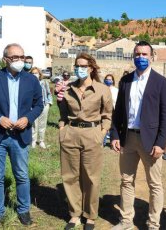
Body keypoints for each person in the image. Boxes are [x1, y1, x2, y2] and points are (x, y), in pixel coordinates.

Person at [0, 43, 43, 229]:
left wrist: (28, 119)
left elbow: (39, 105)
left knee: (21, 175)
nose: (20, 61)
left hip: (20, 136)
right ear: (5, 59)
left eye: (22, 57)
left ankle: (23, 210)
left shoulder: (31, 80)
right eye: (15, 57)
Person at [110, 41, 166, 230]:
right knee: (126, 181)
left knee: (154, 184)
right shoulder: (126, 81)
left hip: (151, 141)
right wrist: (115, 135)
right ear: (133, 56)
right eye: (137, 54)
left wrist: (161, 143)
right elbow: (118, 111)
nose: (141, 58)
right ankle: (126, 220)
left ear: (152, 57)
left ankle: (153, 223)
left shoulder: (161, 82)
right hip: (128, 138)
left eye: (145, 54)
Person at [58, 53, 113, 230]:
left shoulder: (102, 89)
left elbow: (107, 114)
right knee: (70, 176)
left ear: (91, 68)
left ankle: (90, 215)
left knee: (91, 177)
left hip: (92, 134)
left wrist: (102, 132)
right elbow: (62, 114)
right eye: (76, 66)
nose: (78, 69)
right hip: (71, 133)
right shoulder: (68, 89)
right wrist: (62, 130)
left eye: (82, 66)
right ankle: (74, 214)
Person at [30, 67, 53, 149]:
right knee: (34, 124)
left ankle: (41, 141)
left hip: (44, 105)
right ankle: (33, 140)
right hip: (33, 106)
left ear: (39, 74)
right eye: (33, 73)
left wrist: (49, 103)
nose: (35, 75)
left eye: (36, 73)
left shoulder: (44, 82)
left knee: (42, 123)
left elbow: (49, 93)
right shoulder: (29, 83)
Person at [103, 73, 119, 146]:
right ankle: (103, 142)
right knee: (103, 126)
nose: (108, 81)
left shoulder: (116, 90)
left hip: (113, 110)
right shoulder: (102, 89)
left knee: (113, 127)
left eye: (110, 79)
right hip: (103, 110)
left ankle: (113, 142)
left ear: (113, 81)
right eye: (107, 79)